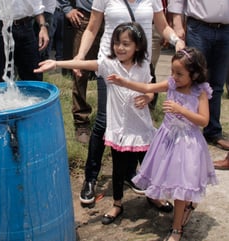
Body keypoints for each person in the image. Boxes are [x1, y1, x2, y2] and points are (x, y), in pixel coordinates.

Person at [35, 21, 164, 225]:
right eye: (116, 43)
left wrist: (148, 97)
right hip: (119, 131)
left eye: (125, 44)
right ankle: (117, 204)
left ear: (137, 46)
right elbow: (85, 64)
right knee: (118, 169)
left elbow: (150, 87)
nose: (120, 48)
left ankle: (154, 196)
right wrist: (57, 63)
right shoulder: (109, 64)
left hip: (142, 129)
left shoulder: (143, 65)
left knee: (149, 166)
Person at [75, 0, 185, 209]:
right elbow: (92, 27)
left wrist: (176, 40)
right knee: (104, 121)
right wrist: (80, 56)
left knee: (138, 121)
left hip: (141, 67)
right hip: (110, 65)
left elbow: (162, 26)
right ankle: (91, 177)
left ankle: (133, 174)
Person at [108, 47, 218, 240]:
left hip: (187, 145)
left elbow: (204, 120)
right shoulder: (171, 84)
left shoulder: (200, 92)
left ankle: (176, 228)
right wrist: (123, 81)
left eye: (179, 74)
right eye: (172, 72)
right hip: (166, 141)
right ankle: (183, 207)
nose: (174, 77)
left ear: (195, 74)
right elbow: (147, 88)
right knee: (168, 178)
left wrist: (180, 110)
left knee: (181, 185)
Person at [168, 0, 229, 151]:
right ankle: (184, 126)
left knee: (217, 84)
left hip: (226, 29)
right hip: (198, 27)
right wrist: (177, 24)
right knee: (192, 80)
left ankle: (213, 131)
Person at [59, 0, 103, 144]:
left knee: (115, 70)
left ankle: (112, 119)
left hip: (114, 18)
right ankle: (81, 122)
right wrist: (66, 8)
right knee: (80, 72)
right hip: (86, 17)